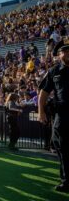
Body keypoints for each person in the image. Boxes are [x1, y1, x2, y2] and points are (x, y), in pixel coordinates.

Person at [38, 39, 69, 192]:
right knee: (62, 148)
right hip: (62, 116)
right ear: (58, 55)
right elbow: (43, 93)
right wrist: (41, 111)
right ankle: (66, 181)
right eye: (65, 51)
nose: (68, 54)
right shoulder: (54, 71)